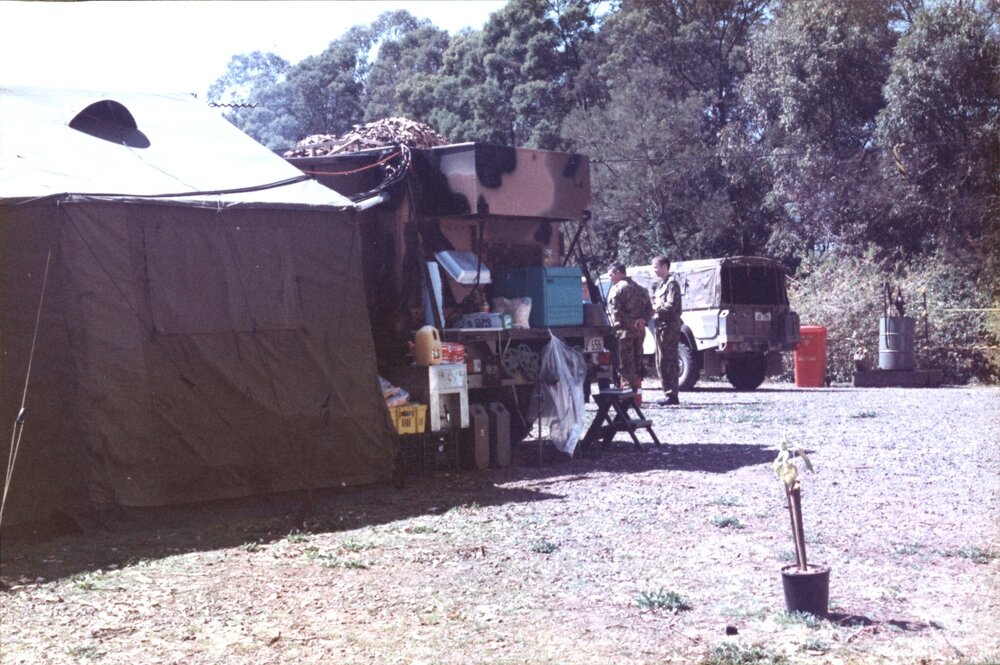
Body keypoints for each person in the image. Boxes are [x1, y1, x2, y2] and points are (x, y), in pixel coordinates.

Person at [606, 262, 652, 400]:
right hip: (639, 332)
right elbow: (649, 308)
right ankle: (637, 396)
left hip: (624, 333)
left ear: (618, 273)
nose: (610, 278)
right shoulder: (641, 288)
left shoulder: (618, 289)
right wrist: (642, 320)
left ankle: (627, 398)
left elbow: (616, 313)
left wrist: (631, 323)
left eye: (610, 275)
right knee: (637, 363)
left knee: (625, 365)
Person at [651, 255, 682, 405]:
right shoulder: (661, 285)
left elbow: (671, 305)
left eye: (656, 267)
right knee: (661, 361)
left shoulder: (672, 284)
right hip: (661, 327)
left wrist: (655, 308)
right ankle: (668, 392)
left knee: (669, 360)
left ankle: (672, 395)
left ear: (664, 266)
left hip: (669, 327)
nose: (654, 270)